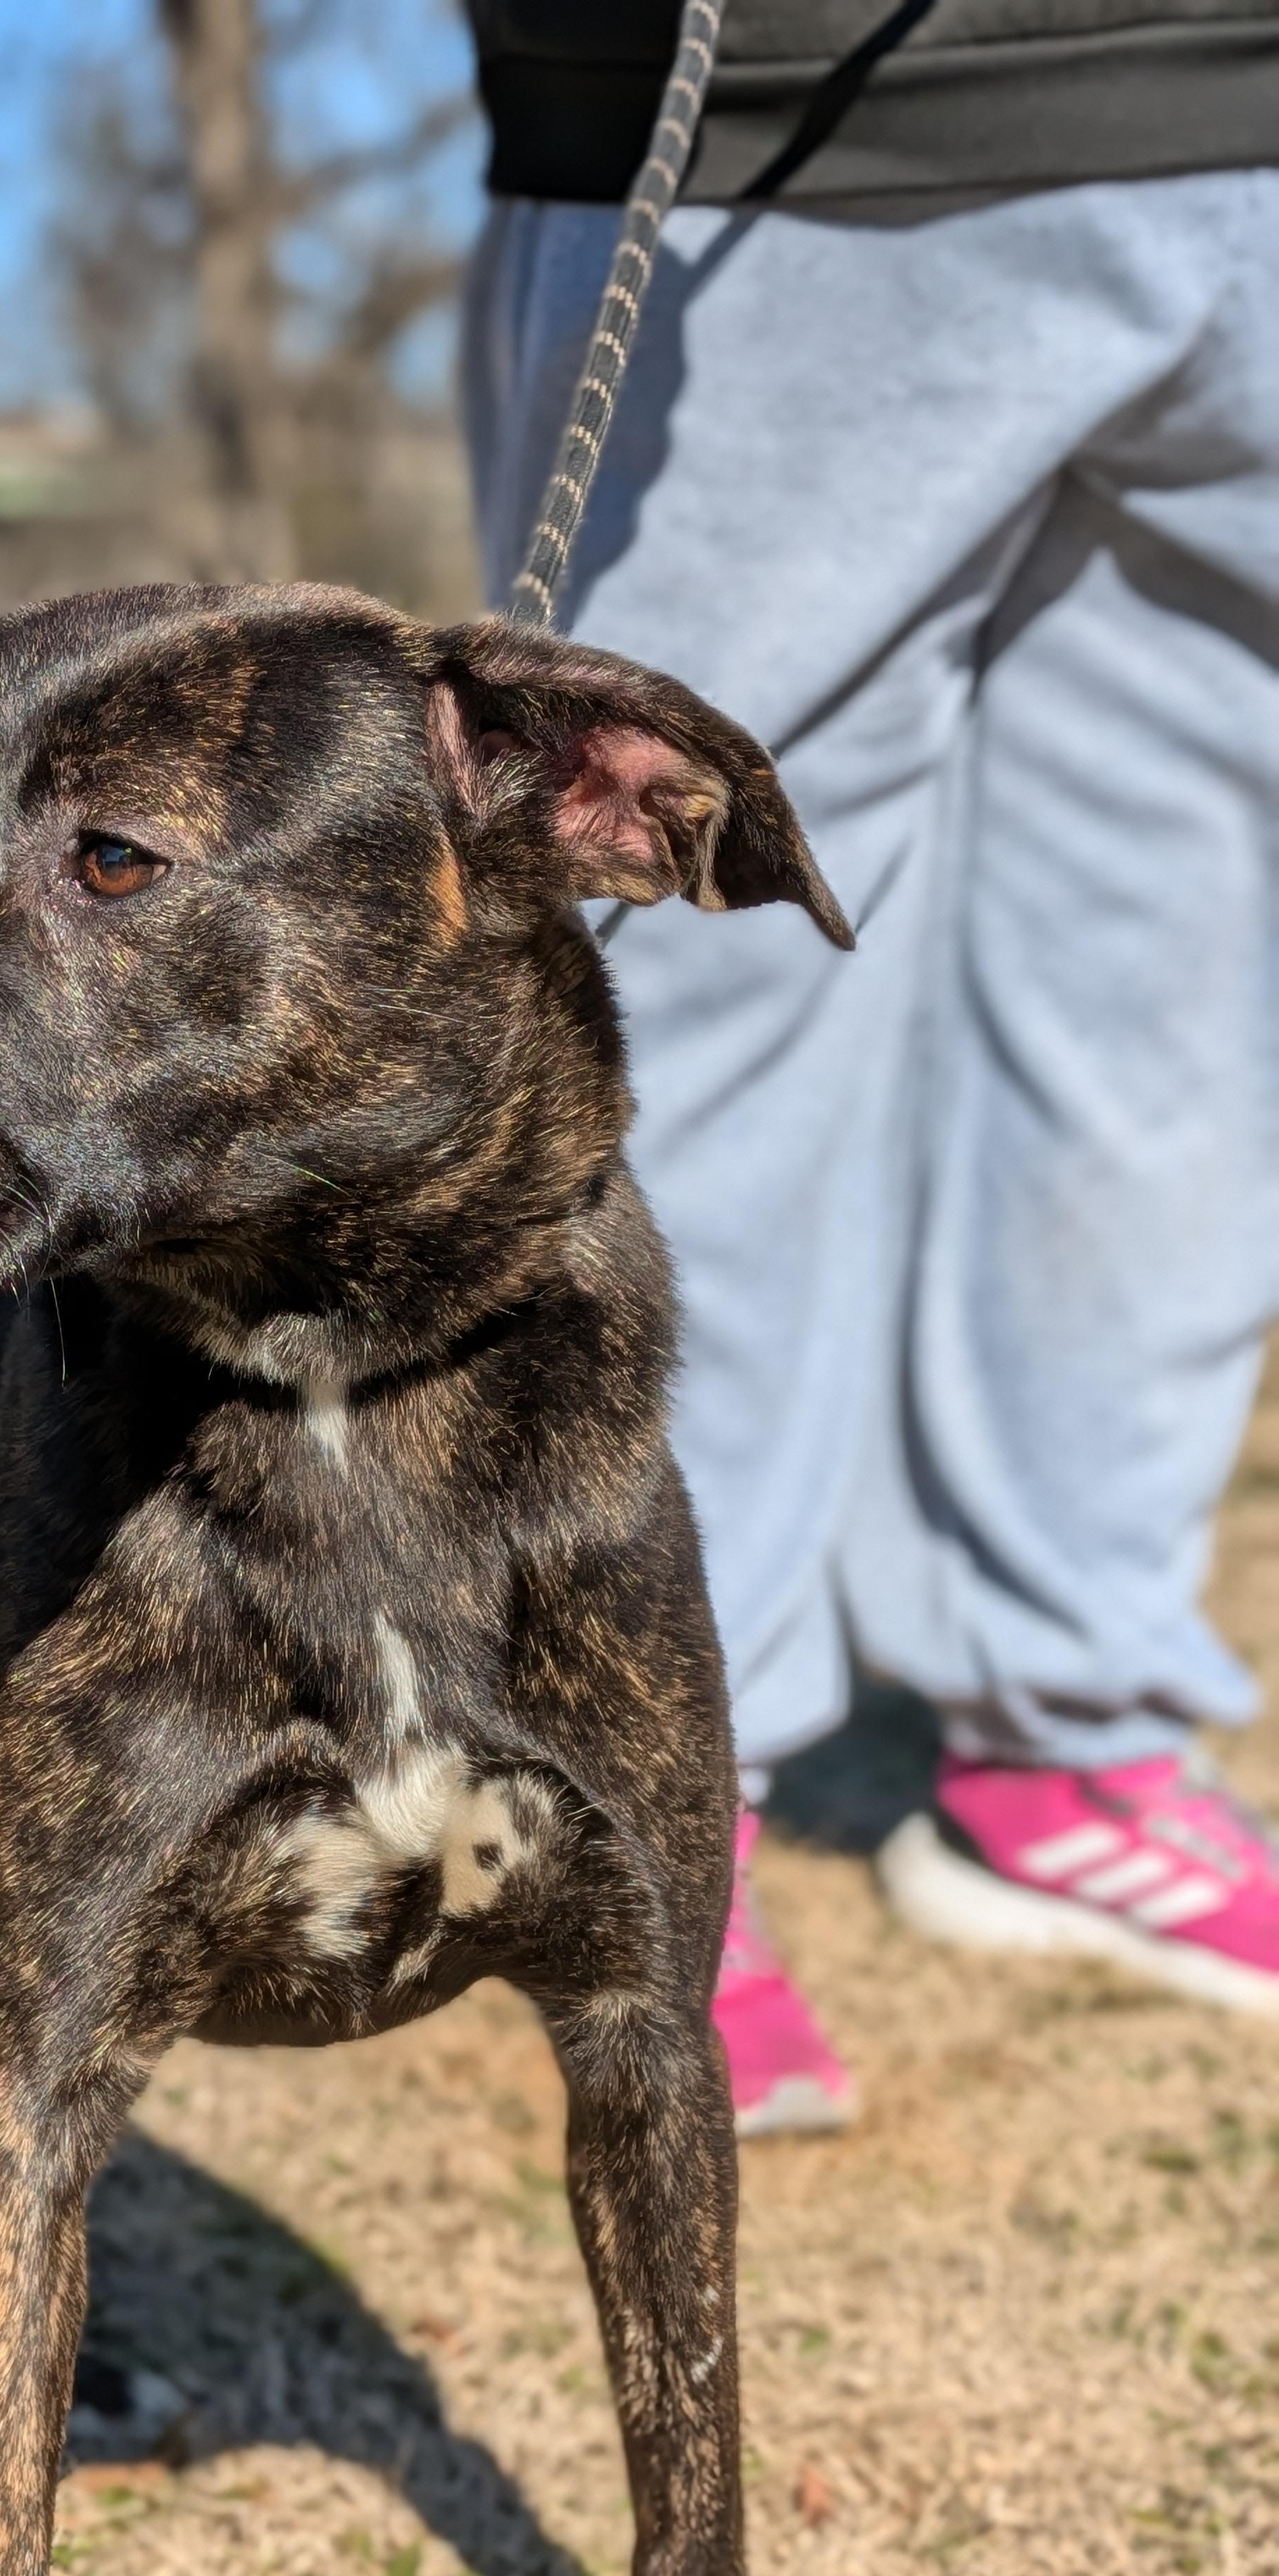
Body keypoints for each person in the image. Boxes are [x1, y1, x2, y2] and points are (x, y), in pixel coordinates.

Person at [459, 1, 1279, 2131]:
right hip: (803, 138)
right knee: (685, 973)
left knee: (1186, 972)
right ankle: (645, 1770)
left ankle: (1073, 1717)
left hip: (1249, 119)